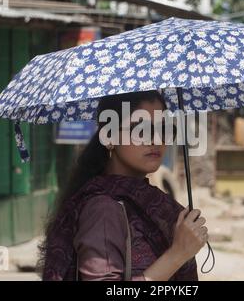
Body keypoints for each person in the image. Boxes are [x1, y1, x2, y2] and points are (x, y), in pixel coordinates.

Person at [37, 90, 208, 281]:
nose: (156, 139)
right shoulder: (103, 209)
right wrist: (177, 254)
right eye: (141, 130)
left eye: (164, 129)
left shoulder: (147, 203)